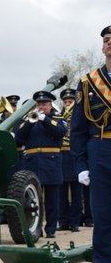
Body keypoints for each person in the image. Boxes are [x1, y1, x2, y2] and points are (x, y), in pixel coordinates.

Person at [70, 24, 111, 263]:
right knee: (104, 217)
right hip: (101, 150)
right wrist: (81, 164)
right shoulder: (88, 82)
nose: (110, 43)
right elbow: (78, 128)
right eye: (107, 40)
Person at [15, 91, 66, 239]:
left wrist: (44, 119)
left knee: (52, 199)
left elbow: (60, 132)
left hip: (51, 162)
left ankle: (50, 229)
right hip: (31, 162)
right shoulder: (28, 120)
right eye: (39, 104)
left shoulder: (57, 118)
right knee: (32, 199)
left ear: (51, 105)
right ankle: (35, 227)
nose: (41, 106)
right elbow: (19, 137)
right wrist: (30, 123)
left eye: (44, 104)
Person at [58, 88, 82, 232]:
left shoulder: (79, 116)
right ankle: (63, 221)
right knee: (61, 191)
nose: (68, 104)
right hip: (61, 155)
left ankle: (75, 222)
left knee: (76, 191)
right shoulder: (59, 116)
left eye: (70, 101)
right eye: (66, 102)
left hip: (74, 154)